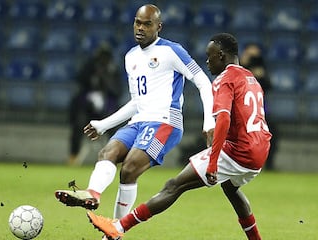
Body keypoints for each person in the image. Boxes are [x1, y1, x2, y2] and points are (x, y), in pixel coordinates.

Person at [86, 33, 272, 240]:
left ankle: (118, 228)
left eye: (210, 57)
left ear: (221, 55)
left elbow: (224, 120)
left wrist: (212, 162)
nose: (207, 62)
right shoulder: (251, 78)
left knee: (174, 186)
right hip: (260, 150)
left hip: (238, 151)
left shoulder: (224, 80)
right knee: (230, 188)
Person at [55, 3, 215, 231]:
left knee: (129, 169)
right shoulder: (130, 57)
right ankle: (92, 194)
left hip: (164, 122)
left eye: (147, 24)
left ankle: (116, 230)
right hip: (138, 121)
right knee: (106, 153)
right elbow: (137, 102)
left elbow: (202, 81)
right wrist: (104, 124)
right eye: (137, 23)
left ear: (158, 27)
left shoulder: (171, 51)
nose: (140, 28)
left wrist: (209, 121)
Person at [68, 43, 122, 165]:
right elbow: (80, 83)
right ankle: (73, 156)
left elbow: (117, 91)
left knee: (115, 129)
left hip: (107, 109)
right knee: (78, 125)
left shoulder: (113, 70)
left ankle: (114, 158)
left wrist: (106, 78)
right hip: (87, 110)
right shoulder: (89, 67)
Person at [240, 43, 277, 170]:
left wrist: (261, 75)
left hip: (259, 108)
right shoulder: (238, 67)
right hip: (241, 108)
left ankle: (269, 164)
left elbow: (269, 86)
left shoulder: (261, 68)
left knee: (271, 133)